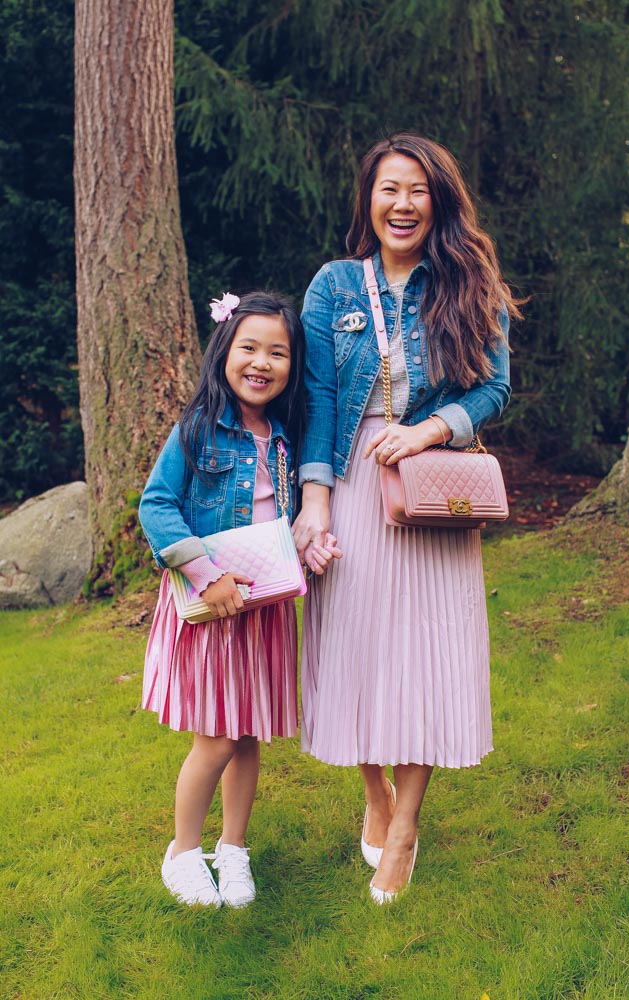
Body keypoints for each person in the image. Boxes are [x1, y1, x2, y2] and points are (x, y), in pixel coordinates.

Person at [292, 133, 522, 904]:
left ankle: (406, 826)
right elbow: (318, 398)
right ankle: (374, 792)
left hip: (428, 486)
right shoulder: (332, 286)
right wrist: (314, 500)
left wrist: (429, 428)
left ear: (438, 200)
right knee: (349, 644)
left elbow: (492, 389)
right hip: (353, 484)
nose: (402, 204)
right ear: (368, 199)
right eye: (389, 189)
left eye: (417, 190)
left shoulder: (468, 281)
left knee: (426, 653)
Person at [139, 290, 339, 909]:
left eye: (278, 352)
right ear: (225, 350)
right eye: (249, 347)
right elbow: (157, 505)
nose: (262, 362)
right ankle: (183, 851)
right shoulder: (197, 430)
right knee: (217, 739)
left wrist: (306, 551)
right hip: (213, 610)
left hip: (263, 613)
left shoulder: (282, 437)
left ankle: (234, 849)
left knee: (248, 735)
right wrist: (204, 572)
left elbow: (276, 520)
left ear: (291, 365)